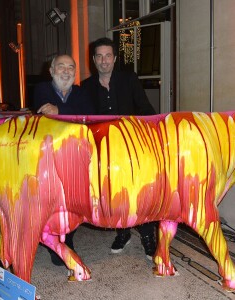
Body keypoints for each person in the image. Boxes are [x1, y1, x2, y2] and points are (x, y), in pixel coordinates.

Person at [81, 37, 157, 259]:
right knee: (114, 194)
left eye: (108, 56)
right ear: (93, 60)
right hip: (104, 151)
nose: (104, 60)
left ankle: (148, 236)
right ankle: (123, 232)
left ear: (114, 58)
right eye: (99, 56)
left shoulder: (129, 79)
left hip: (131, 146)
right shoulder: (86, 86)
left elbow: (146, 108)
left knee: (139, 193)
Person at [32, 54, 95, 265]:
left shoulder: (81, 92)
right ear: (51, 70)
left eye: (71, 67)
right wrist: (73, 114)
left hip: (75, 154)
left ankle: (67, 239)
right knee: (51, 200)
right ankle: (53, 240)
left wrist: (59, 111)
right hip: (48, 157)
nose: (66, 71)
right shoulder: (42, 89)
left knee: (73, 201)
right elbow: (45, 111)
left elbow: (89, 114)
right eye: (61, 67)